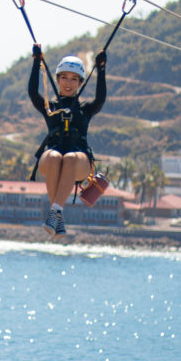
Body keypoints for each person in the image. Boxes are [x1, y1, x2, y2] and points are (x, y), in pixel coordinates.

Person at [28, 45, 107, 239]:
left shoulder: (85, 109)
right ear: (57, 79)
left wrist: (101, 69)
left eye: (74, 79)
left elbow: (100, 99)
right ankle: (58, 214)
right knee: (55, 157)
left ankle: (55, 213)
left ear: (80, 82)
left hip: (78, 161)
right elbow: (33, 93)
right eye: (64, 77)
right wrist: (36, 62)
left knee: (69, 158)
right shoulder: (50, 107)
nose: (68, 83)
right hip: (52, 157)